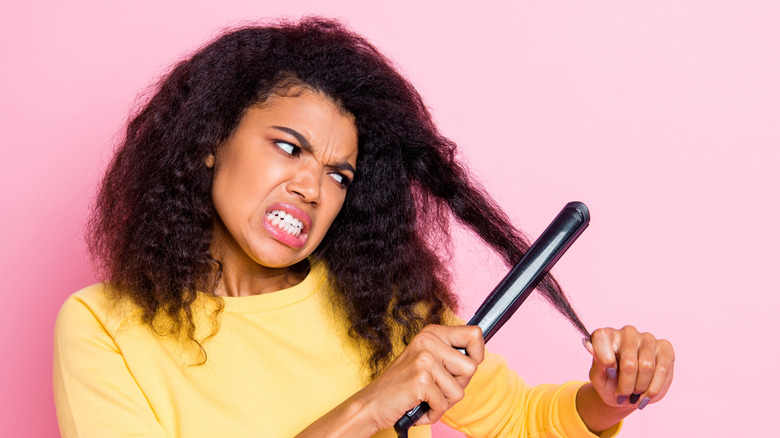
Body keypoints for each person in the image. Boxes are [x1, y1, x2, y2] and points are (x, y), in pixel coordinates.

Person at [53, 17, 674, 438]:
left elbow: (525, 421)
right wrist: (370, 407)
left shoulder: (384, 308)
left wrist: (606, 400)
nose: (312, 187)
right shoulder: (103, 329)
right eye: (289, 147)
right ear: (210, 142)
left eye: (340, 175)